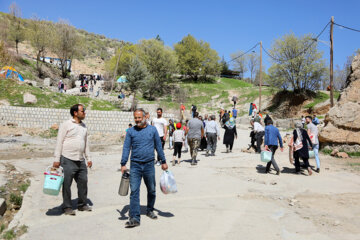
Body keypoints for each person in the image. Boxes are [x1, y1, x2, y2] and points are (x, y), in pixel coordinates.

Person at [121, 108, 168, 228]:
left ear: (145, 117)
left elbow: (158, 146)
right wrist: (123, 163)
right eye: (135, 118)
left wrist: (163, 161)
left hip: (149, 165)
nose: (137, 120)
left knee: (151, 189)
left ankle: (149, 209)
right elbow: (126, 148)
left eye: (139, 118)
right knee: (134, 191)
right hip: (135, 165)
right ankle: (135, 217)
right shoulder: (131, 131)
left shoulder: (152, 130)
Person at [53, 104, 92, 215]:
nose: (84, 112)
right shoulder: (66, 125)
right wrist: (57, 158)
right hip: (67, 159)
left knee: (83, 182)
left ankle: (82, 204)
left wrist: (88, 158)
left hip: (81, 160)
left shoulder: (84, 126)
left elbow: (86, 144)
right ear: (75, 113)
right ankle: (67, 207)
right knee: (66, 184)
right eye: (82, 110)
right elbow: (59, 141)